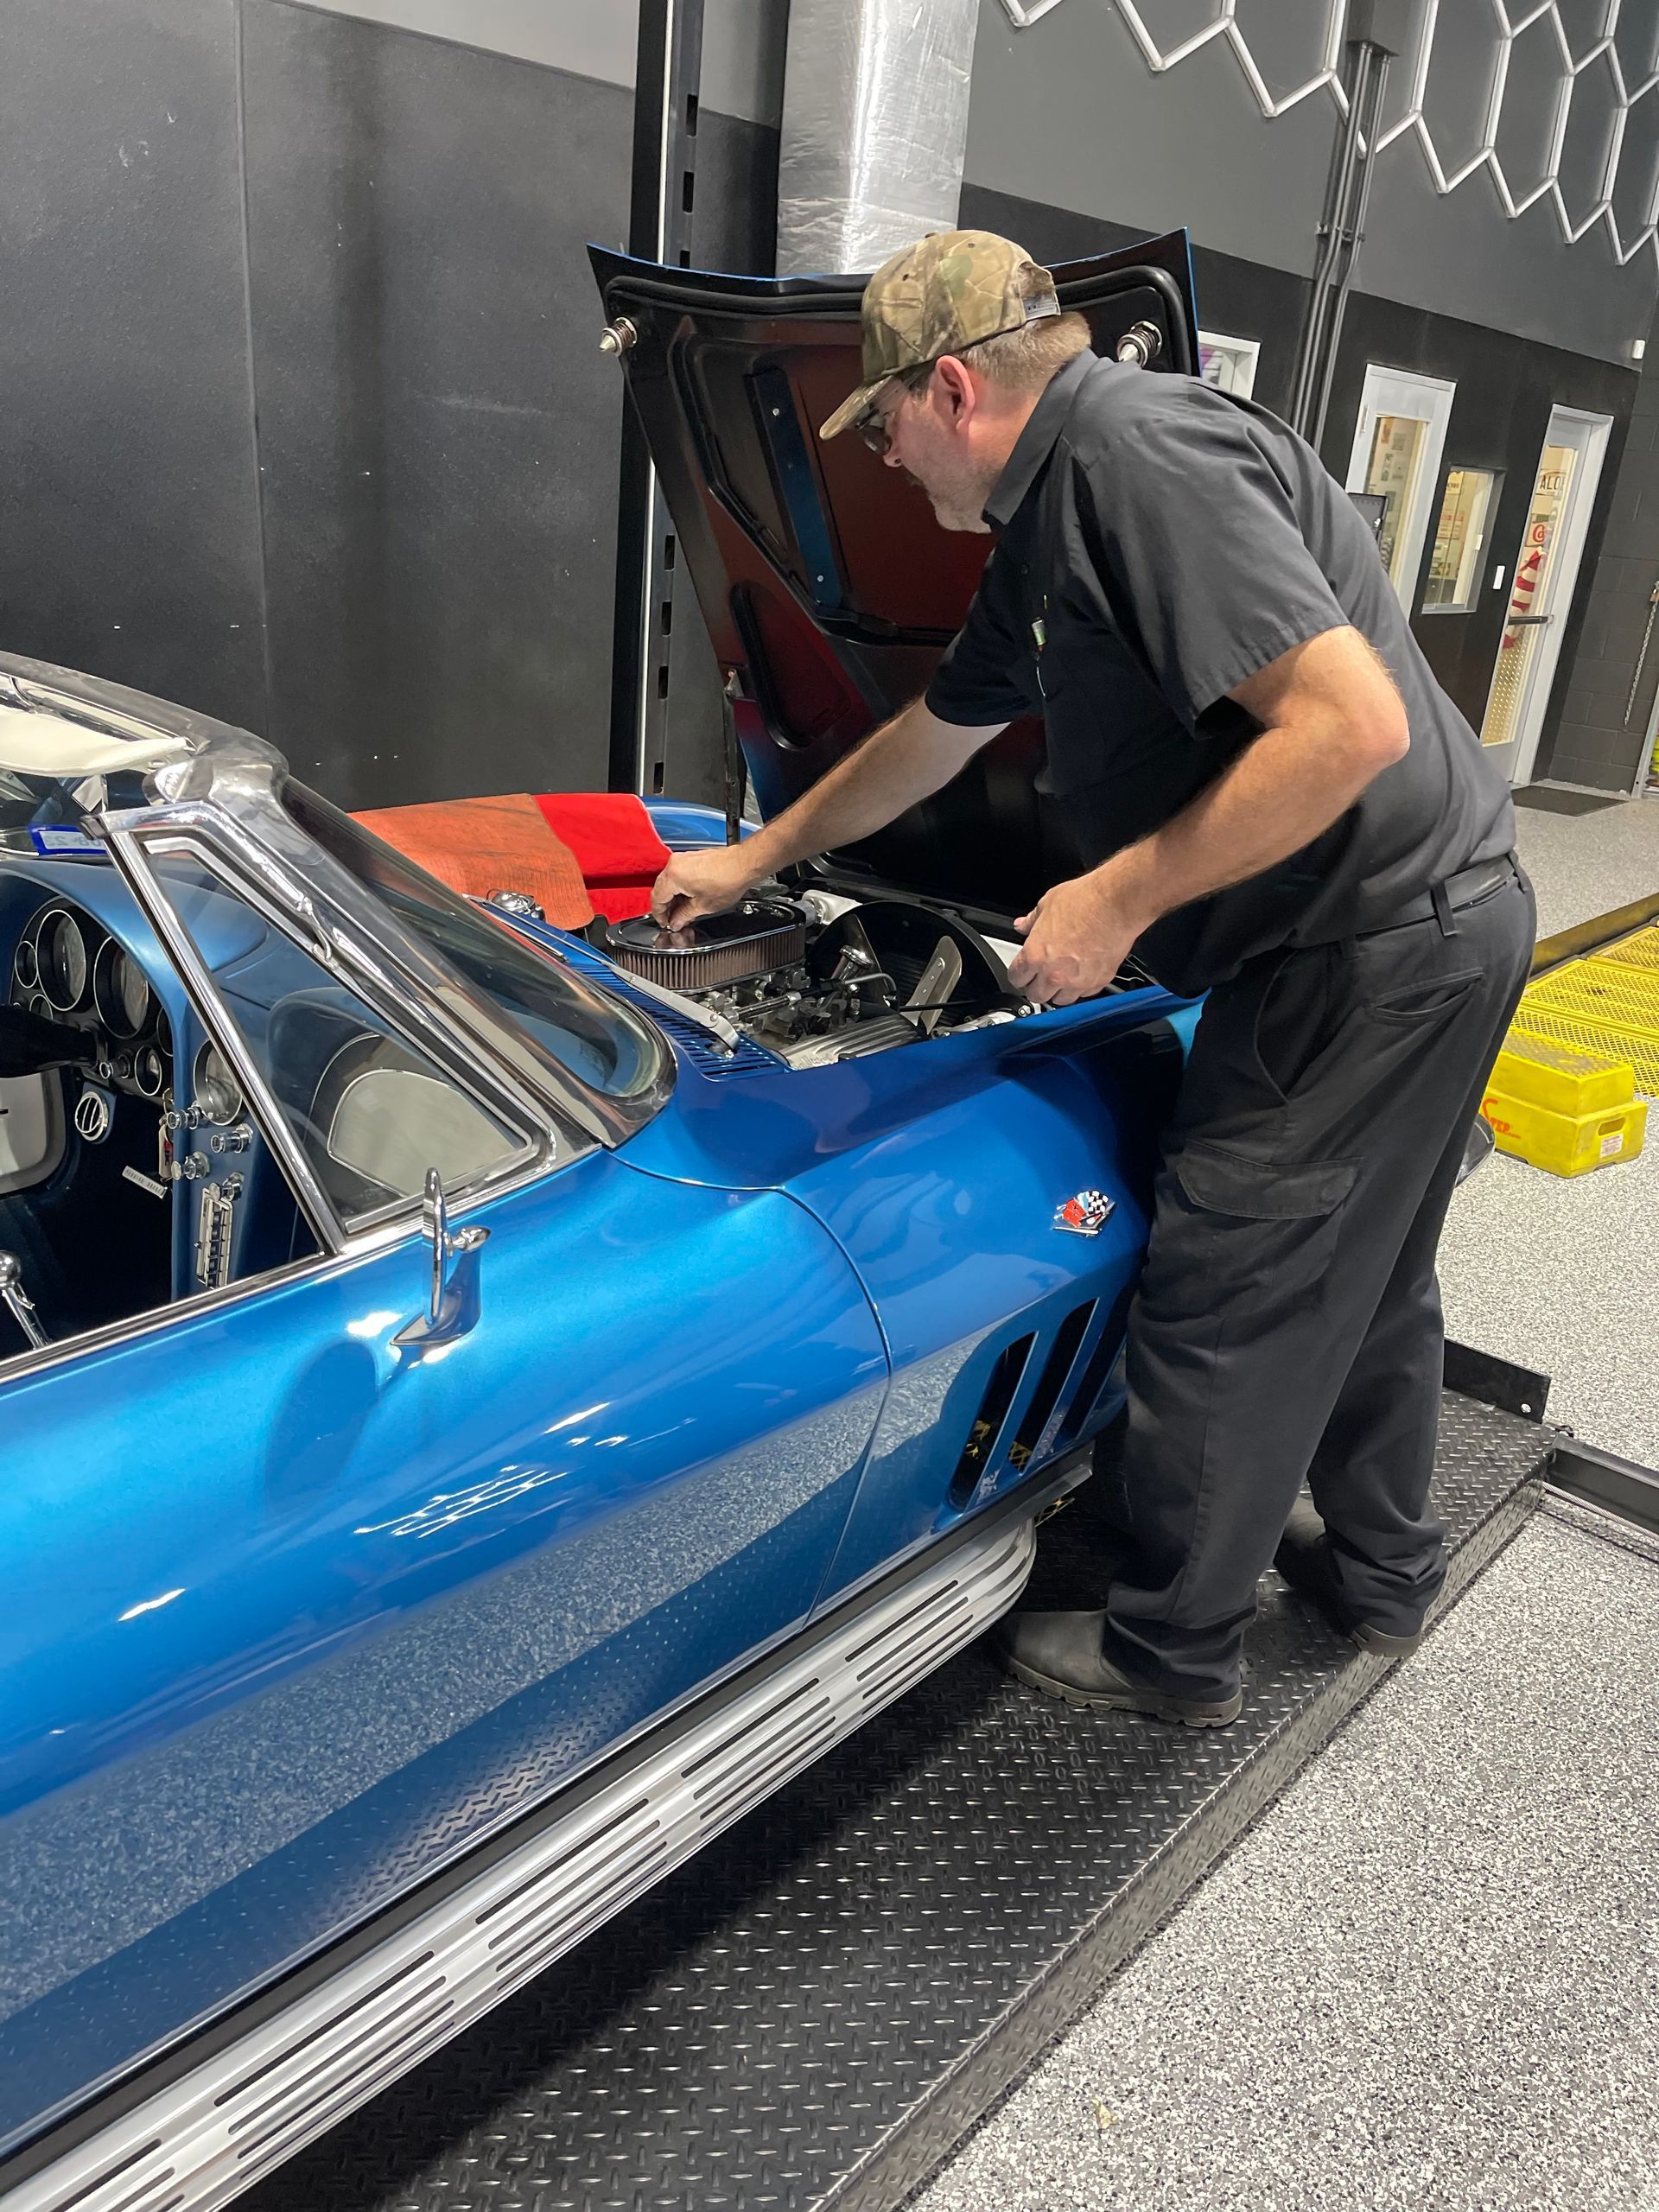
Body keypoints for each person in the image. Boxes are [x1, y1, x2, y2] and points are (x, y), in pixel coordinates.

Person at [649, 229, 1535, 1729]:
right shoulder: (1056, 513)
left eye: (890, 430)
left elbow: (1348, 727)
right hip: (1427, 923)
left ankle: (1169, 1649)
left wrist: (1117, 896)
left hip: (1364, 947)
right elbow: (942, 727)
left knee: (1224, 1284)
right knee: (1370, 1269)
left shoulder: (1141, 464)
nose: (892, 470)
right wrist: (762, 856)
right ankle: (1385, 1570)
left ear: (954, 388)